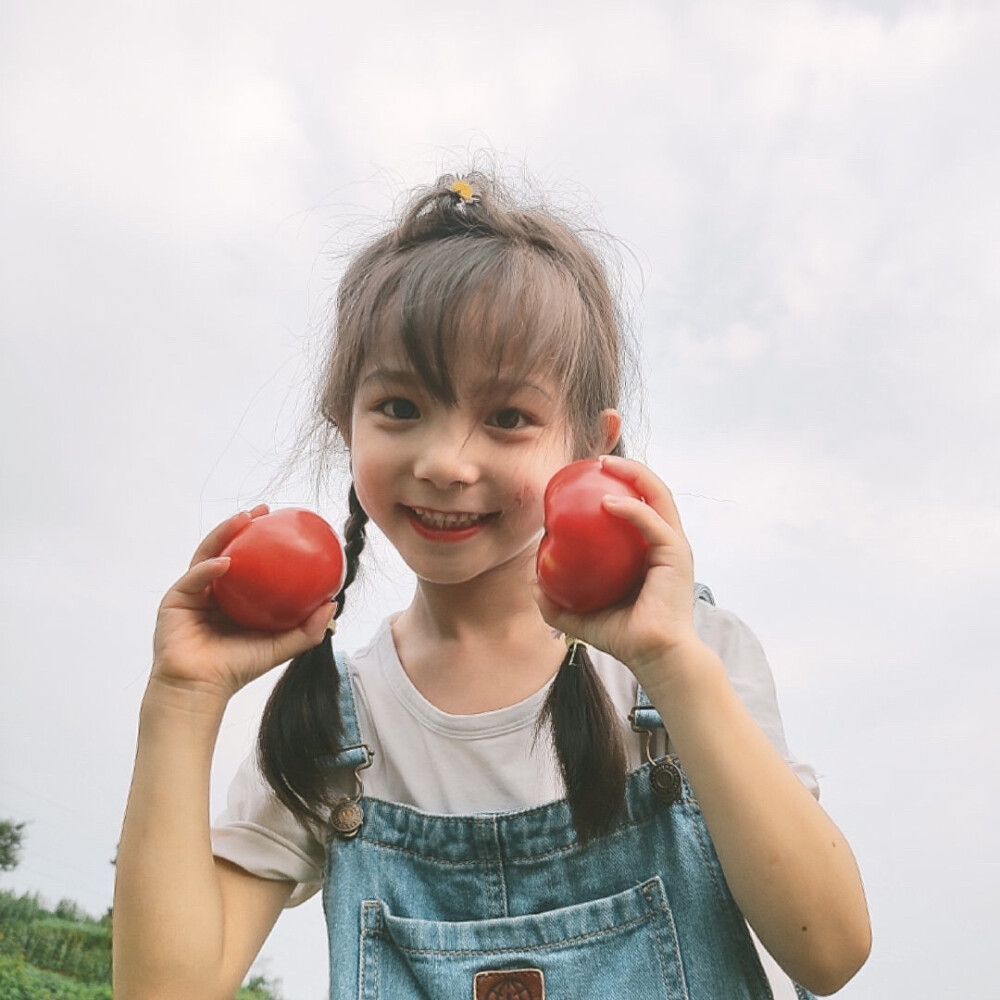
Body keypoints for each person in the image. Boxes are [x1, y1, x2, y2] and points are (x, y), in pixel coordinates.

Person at [113, 172, 871, 1000]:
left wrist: (674, 665)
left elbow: (829, 952)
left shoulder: (691, 657)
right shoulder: (328, 723)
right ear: (346, 424)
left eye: (509, 417)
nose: (444, 461)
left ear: (593, 446)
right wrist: (181, 699)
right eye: (400, 405)